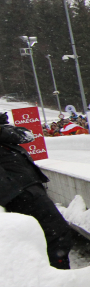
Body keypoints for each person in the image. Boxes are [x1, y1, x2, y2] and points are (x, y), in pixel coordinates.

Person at [1, 112, 73, 268]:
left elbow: (26, 136)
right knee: (56, 232)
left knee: (49, 234)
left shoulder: (4, 131)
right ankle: (57, 276)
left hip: (25, 187)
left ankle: (52, 273)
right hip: (17, 191)